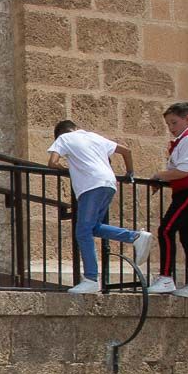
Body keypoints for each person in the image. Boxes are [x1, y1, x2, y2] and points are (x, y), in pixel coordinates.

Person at [47, 120, 152, 295]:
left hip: (90, 186)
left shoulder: (64, 138)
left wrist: (67, 168)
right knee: (92, 228)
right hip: (109, 183)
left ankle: (91, 279)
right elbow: (127, 150)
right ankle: (134, 237)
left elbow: (52, 162)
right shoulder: (95, 137)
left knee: (82, 231)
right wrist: (129, 173)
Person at [148, 102, 188, 299]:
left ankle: (166, 277)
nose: (171, 128)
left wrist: (160, 175)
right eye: (169, 124)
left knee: (166, 230)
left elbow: (183, 171)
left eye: (174, 123)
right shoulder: (186, 140)